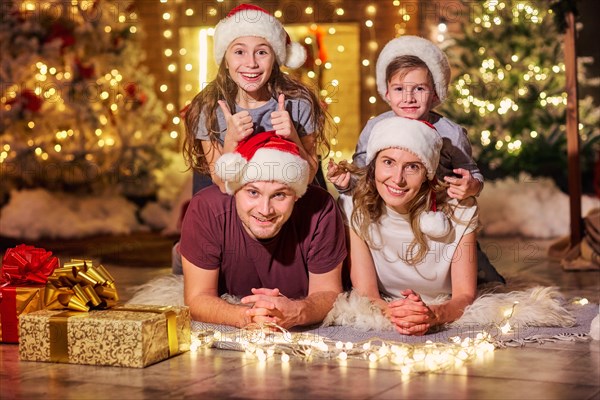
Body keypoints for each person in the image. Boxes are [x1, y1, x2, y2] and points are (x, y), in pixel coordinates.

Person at [328, 35, 504, 285]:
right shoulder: (376, 128)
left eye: (419, 89)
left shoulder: (450, 133)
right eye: (399, 89)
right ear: (387, 93)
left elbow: (470, 171)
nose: (408, 98)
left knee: (476, 271)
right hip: (392, 212)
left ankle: (482, 277)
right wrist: (345, 183)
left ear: (434, 94)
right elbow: (363, 173)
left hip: (437, 211)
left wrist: (470, 185)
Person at [180, 131, 346, 329]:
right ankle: (182, 252)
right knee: (184, 266)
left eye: (279, 195)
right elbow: (197, 297)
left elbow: (329, 292)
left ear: (296, 195)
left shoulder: (321, 208)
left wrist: (297, 312)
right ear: (234, 190)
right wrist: (246, 316)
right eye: (253, 192)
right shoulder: (205, 207)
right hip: (212, 240)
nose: (265, 210)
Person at [339, 117, 479, 336]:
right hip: (390, 302)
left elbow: (464, 296)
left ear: (427, 174)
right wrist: (400, 315)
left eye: (412, 167)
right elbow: (367, 295)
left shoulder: (460, 210)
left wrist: (432, 314)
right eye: (388, 162)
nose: (398, 179)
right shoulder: (354, 206)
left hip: (439, 302)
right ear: (373, 165)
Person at [183, 3, 330, 194]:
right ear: (225, 61)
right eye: (239, 52)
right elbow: (220, 183)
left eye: (261, 52)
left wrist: (293, 136)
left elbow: (309, 175)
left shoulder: (298, 102)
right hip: (229, 199)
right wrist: (231, 142)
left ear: (275, 59)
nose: (251, 63)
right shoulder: (208, 107)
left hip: (285, 198)